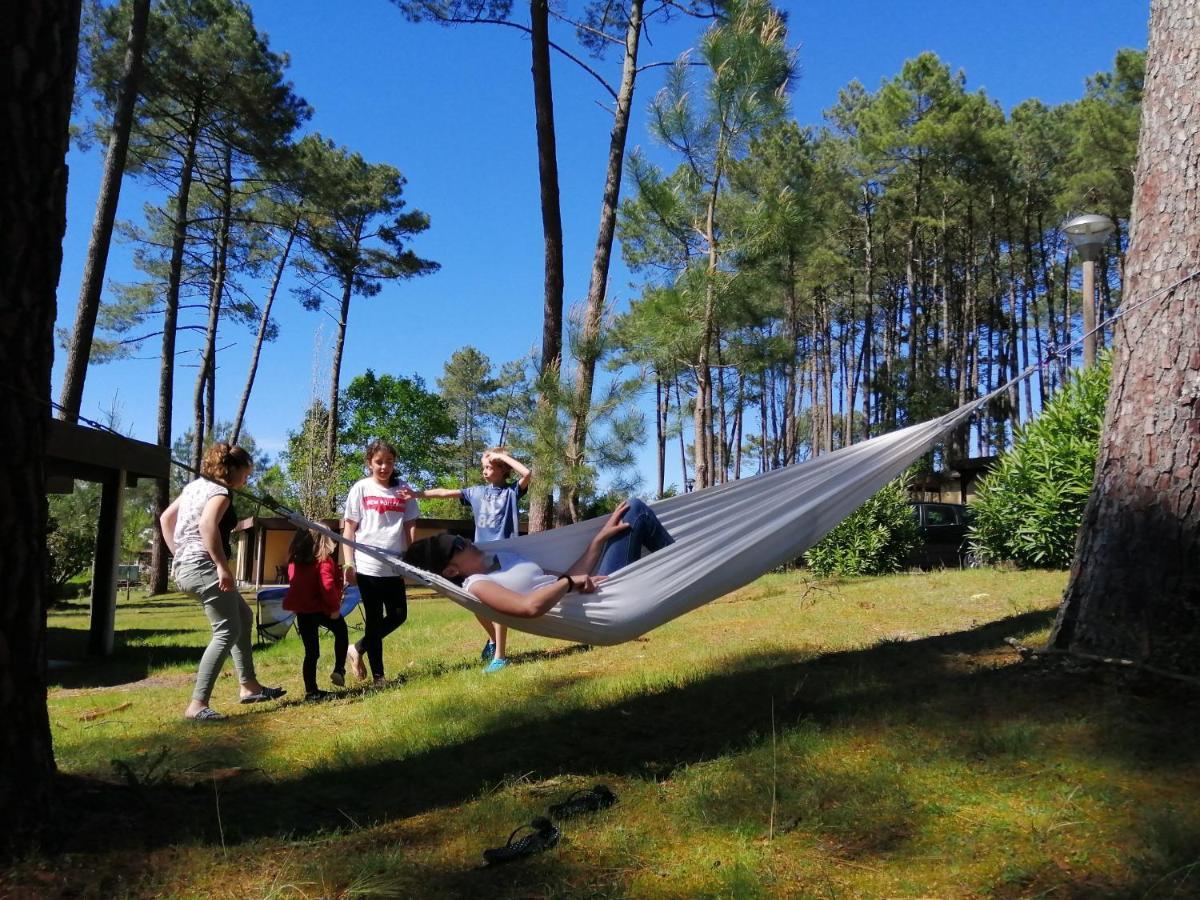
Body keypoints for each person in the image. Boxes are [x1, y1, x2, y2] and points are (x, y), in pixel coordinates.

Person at [160, 443, 286, 721]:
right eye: (246, 474)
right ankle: (197, 704)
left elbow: (165, 519)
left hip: (187, 566)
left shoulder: (194, 487)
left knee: (243, 615)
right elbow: (207, 526)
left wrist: (179, 554)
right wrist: (221, 566)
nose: (247, 480)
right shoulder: (220, 492)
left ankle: (249, 686)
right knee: (226, 631)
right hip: (204, 566)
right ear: (233, 470)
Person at [404, 498, 674, 619]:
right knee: (635, 510)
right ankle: (678, 563)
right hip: (601, 608)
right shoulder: (476, 583)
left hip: (597, 591)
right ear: (451, 571)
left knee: (630, 510)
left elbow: (566, 575)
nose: (470, 542)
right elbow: (528, 608)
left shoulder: (505, 557)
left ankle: (680, 563)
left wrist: (599, 539)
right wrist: (568, 584)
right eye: (460, 544)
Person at [408, 448, 532, 672]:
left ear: (502, 469)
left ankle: (500, 656)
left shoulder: (511, 492)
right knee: (474, 602)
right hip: (475, 555)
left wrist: (501, 456)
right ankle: (493, 641)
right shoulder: (476, 492)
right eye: (483, 467)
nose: (484, 471)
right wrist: (417, 494)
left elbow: (527, 474)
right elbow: (445, 493)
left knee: (496, 606)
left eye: (489, 467)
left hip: (500, 556)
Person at [342, 438, 419, 686]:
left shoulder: (403, 489)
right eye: (379, 462)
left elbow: (410, 525)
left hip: (394, 565)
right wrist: (348, 562)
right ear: (369, 463)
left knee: (398, 615)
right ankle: (379, 677)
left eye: (389, 462)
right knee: (374, 620)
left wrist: (411, 558)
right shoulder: (361, 488)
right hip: (367, 564)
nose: (384, 467)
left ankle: (357, 648)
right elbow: (349, 528)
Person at [283, 528, 348, 701]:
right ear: (324, 541)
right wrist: (334, 608)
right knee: (341, 631)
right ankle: (339, 668)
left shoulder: (294, 563)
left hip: (303, 612)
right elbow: (326, 587)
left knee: (311, 653)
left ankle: (312, 691)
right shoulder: (324, 562)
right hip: (322, 609)